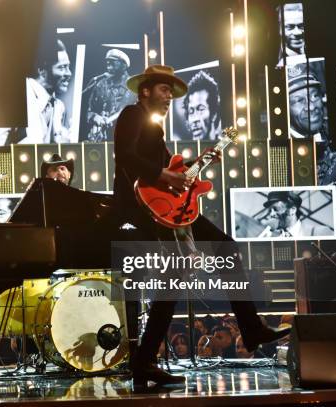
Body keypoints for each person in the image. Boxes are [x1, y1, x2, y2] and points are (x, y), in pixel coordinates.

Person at [113, 64, 290, 387]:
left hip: (161, 206)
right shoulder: (132, 115)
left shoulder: (155, 128)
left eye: (171, 92)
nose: (169, 97)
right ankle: (145, 359)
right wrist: (165, 175)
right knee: (183, 267)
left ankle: (249, 329)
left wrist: (198, 163)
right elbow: (126, 156)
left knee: (221, 248)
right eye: (164, 90)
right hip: (136, 207)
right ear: (146, 90)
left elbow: (170, 169)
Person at [22, 39, 72, 144]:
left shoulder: (59, 107)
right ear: (42, 71)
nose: (69, 73)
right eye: (62, 67)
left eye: (68, 67)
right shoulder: (18, 97)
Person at [85, 49, 136, 142]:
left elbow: (133, 112)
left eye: (113, 61)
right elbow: (89, 112)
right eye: (108, 61)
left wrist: (110, 120)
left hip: (126, 138)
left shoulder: (132, 85)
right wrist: (95, 117)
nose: (108, 63)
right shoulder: (101, 84)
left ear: (124, 65)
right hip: (101, 139)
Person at [259, 191, 332, 238]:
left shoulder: (320, 232)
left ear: (292, 210)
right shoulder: (276, 239)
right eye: (270, 211)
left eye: (276, 209)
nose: (271, 214)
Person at [287, 65, 326, 141]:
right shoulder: (283, 145)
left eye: (314, 96)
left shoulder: (334, 133)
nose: (311, 107)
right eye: (299, 100)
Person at [181, 70, 221, 141]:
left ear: (214, 114)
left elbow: (235, 133)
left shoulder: (223, 145)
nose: (194, 119)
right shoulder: (181, 149)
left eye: (200, 109)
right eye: (191, 112)